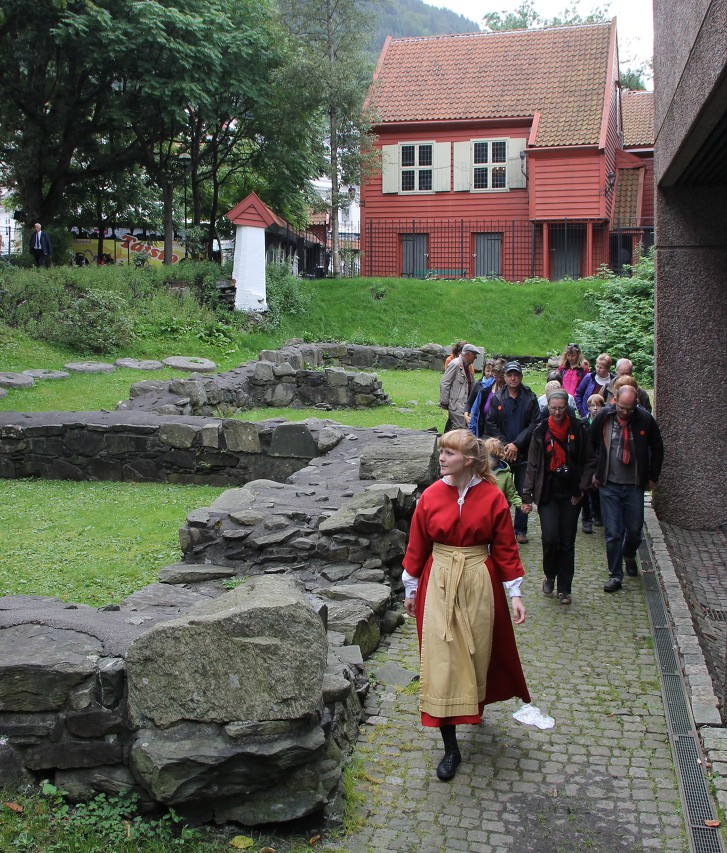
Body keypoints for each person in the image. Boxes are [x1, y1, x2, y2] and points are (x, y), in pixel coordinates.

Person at [402, 429, 529, 781]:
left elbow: (505, 547)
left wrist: (515, 593)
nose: (441, 458)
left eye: (450, 453)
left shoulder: (491, 497)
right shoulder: (430, 497)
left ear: (469, 461)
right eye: (441, 451)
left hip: (478, 580)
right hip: (439, 581)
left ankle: (474, 705)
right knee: (443, 661)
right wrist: (411, 589)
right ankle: (451, 747)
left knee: (476, 656)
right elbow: (417, 545)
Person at [522, 390, 595, 605]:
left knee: (567, 542)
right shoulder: (540, 431)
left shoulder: (578, 429)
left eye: (560, 408)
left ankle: (564, 587)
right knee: (550, 538)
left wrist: (581, 489)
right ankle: (549, 574)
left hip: (571, 494)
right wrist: (527, 494)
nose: (556, 412)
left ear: (567, 407)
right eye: (553, 408)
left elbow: (590, 461)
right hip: (548, 494)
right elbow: (533, 465)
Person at [590, 386, 664, 592]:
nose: (624, 413)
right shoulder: (605, 416)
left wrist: (652, 477)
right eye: (621, 408)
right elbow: (590, 442)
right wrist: (594, 471)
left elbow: (658, 448)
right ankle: (615, 575)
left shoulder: (645, 420)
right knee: (612, 532)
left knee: (634, 530)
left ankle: (628, 553)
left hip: (634, 484)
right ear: (615, 402)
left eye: (629, 410)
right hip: (609, 484)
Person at [485, 361, 541, 544]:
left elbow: (535, 424)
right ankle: (500, 528)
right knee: (499, 491)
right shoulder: (497, 398)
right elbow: (490, 423)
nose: (513, 378)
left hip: (524, 452)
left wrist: (517, 444)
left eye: (516, 374)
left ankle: (521, 529)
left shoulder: (530, 398)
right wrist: (506, 446)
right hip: (502, 454)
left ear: (521, 376)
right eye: (510, 375)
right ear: (505, 377)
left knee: (523, 490)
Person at [440, 343, 480, 431]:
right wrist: (445, 401)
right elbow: (445, 383)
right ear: (468, 354)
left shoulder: (467, 366)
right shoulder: (455, 364)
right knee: (460, 429)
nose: (475, 358)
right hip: (456, 405)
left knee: (457, 428)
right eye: (474, 355)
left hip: (462, 404)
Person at [581, 394, 605, 533]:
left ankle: (598, 514)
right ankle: (587, 519)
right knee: (586, 490)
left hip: (599, 459)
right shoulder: (583, 422)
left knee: (597, 491)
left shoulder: (605, 423)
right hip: (587, 461)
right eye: (592, 406)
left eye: (598, 405)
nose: (595, 409)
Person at [484, 437, 522, 510]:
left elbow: (512, 495)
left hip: (499, 511)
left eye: (494, 457)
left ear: (499, 457)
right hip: (484, 512)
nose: (491, 460)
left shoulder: (505, 475)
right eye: (489, 456)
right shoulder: (479, 472)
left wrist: (522, 505)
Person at [466, 358, 498, 436]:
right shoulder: (479, 384)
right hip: (480, 421)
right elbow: (470, 402)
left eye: (492, 371)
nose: (490, 374)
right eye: (488, 371)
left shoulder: (498, 384)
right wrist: (466, 415)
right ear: (484, 371)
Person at [574, 353, 614, 417]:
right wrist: (581, 411)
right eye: (597, 366)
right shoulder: (589, 378)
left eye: (601, 368)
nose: (598, 369)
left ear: (608, 369)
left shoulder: (613, 382)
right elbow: (578, 394)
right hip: (587, 416)